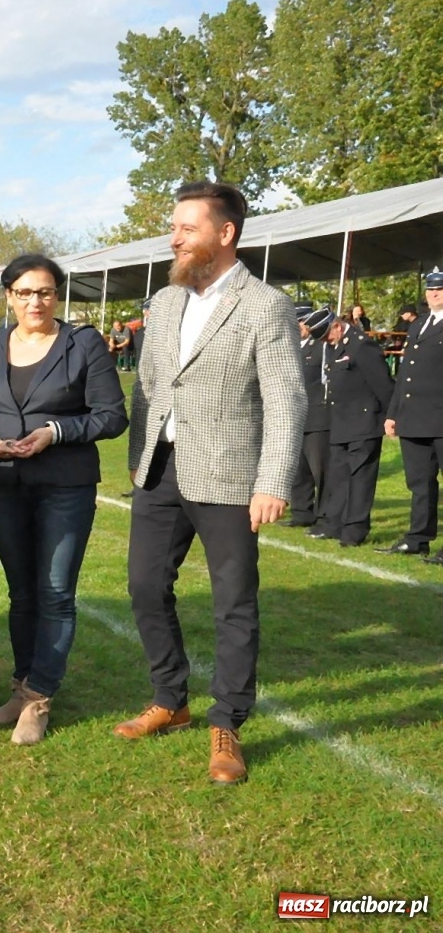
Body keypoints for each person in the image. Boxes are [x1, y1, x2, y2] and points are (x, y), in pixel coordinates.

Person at [118, 180, 303, 785]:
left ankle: (228, 721)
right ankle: (170, 700)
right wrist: (138, 459)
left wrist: (272, 479)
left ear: (225, 234)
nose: (174, 237)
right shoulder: (166, 301)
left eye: (186, 228)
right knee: (145, 586)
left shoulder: (265, 306)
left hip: (229, 476)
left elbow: (286, 402)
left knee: (233, 604)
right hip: (161, 472)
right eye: (174, 226)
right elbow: (149, 385)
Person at [0, 254, 127, 744]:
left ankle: (39, 700)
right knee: (22, 594)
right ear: (8, 296)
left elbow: (111, 416)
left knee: (55, 593)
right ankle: (21, 686)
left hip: (65, 487)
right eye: (26, 292)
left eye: (46, 291)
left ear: (57, 296)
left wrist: (56, 431)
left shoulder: (83, 344)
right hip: (10, 485)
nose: (36, 301)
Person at [310, 315, 391, 548]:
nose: (327, 341)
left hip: (364, 422)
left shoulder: (361, 345)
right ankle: (334, 524)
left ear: (337, 325)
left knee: (360, 479)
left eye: (328, 335)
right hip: (341, 422)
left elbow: (382, 383)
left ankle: (355, 530)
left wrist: (391, 416)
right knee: (339, 477)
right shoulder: (337, 346)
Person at [381, 268, 443, 562]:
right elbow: (405, 374)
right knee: (419, 483)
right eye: (431, 289)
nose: (435, 293)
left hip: (441, 418)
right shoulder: (419, 326)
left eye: (440, 289)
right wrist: (394, 413)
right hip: (415, 418)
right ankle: (419, 537)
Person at [287, 307, 333, 528]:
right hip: (297, 416)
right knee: (298, 470)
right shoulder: (292, 347)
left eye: (297, 324)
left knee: (320, 470)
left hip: (318, 415)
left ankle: (325, 514)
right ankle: (301, 512)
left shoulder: (321, 347)